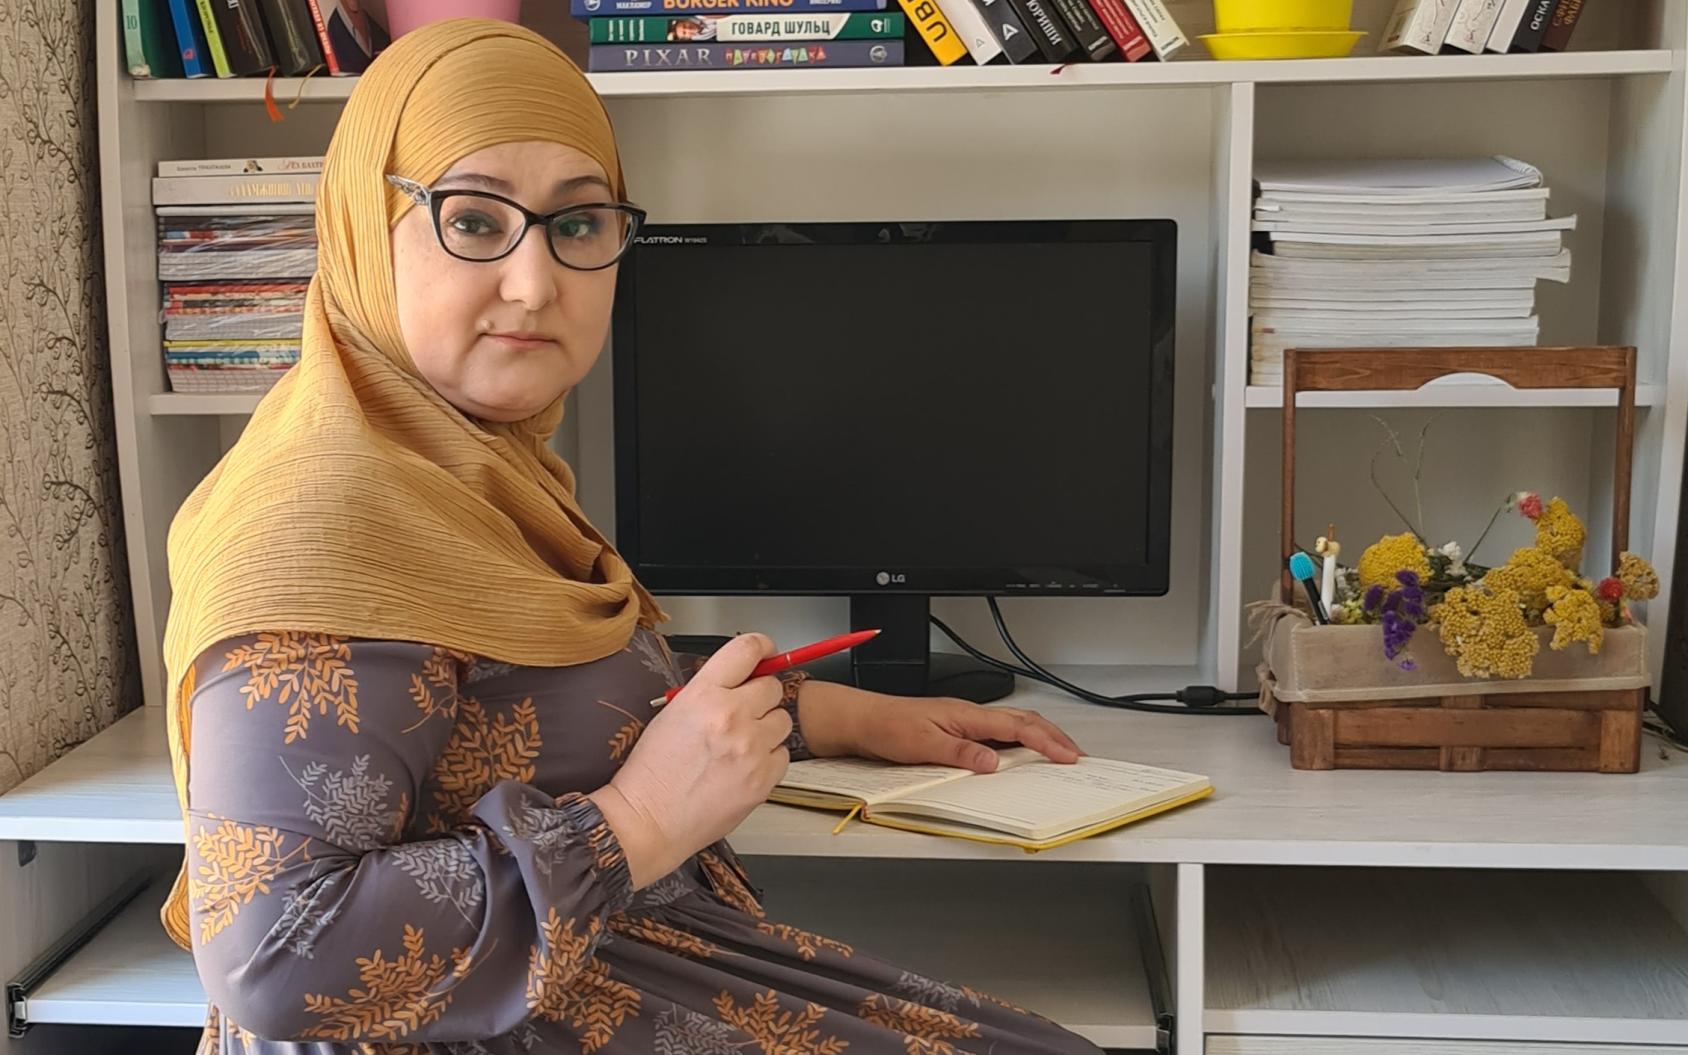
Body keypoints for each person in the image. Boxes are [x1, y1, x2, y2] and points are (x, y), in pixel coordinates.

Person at [159, 19, 1103, 1055]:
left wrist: (824, 711)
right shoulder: (321, 519)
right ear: (360, 228)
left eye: (577, 223)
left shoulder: (461, 471)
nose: (534, 281)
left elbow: (518, 689)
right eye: (473, 221)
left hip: (599, 973)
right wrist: (636, 821)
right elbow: (273, 953)